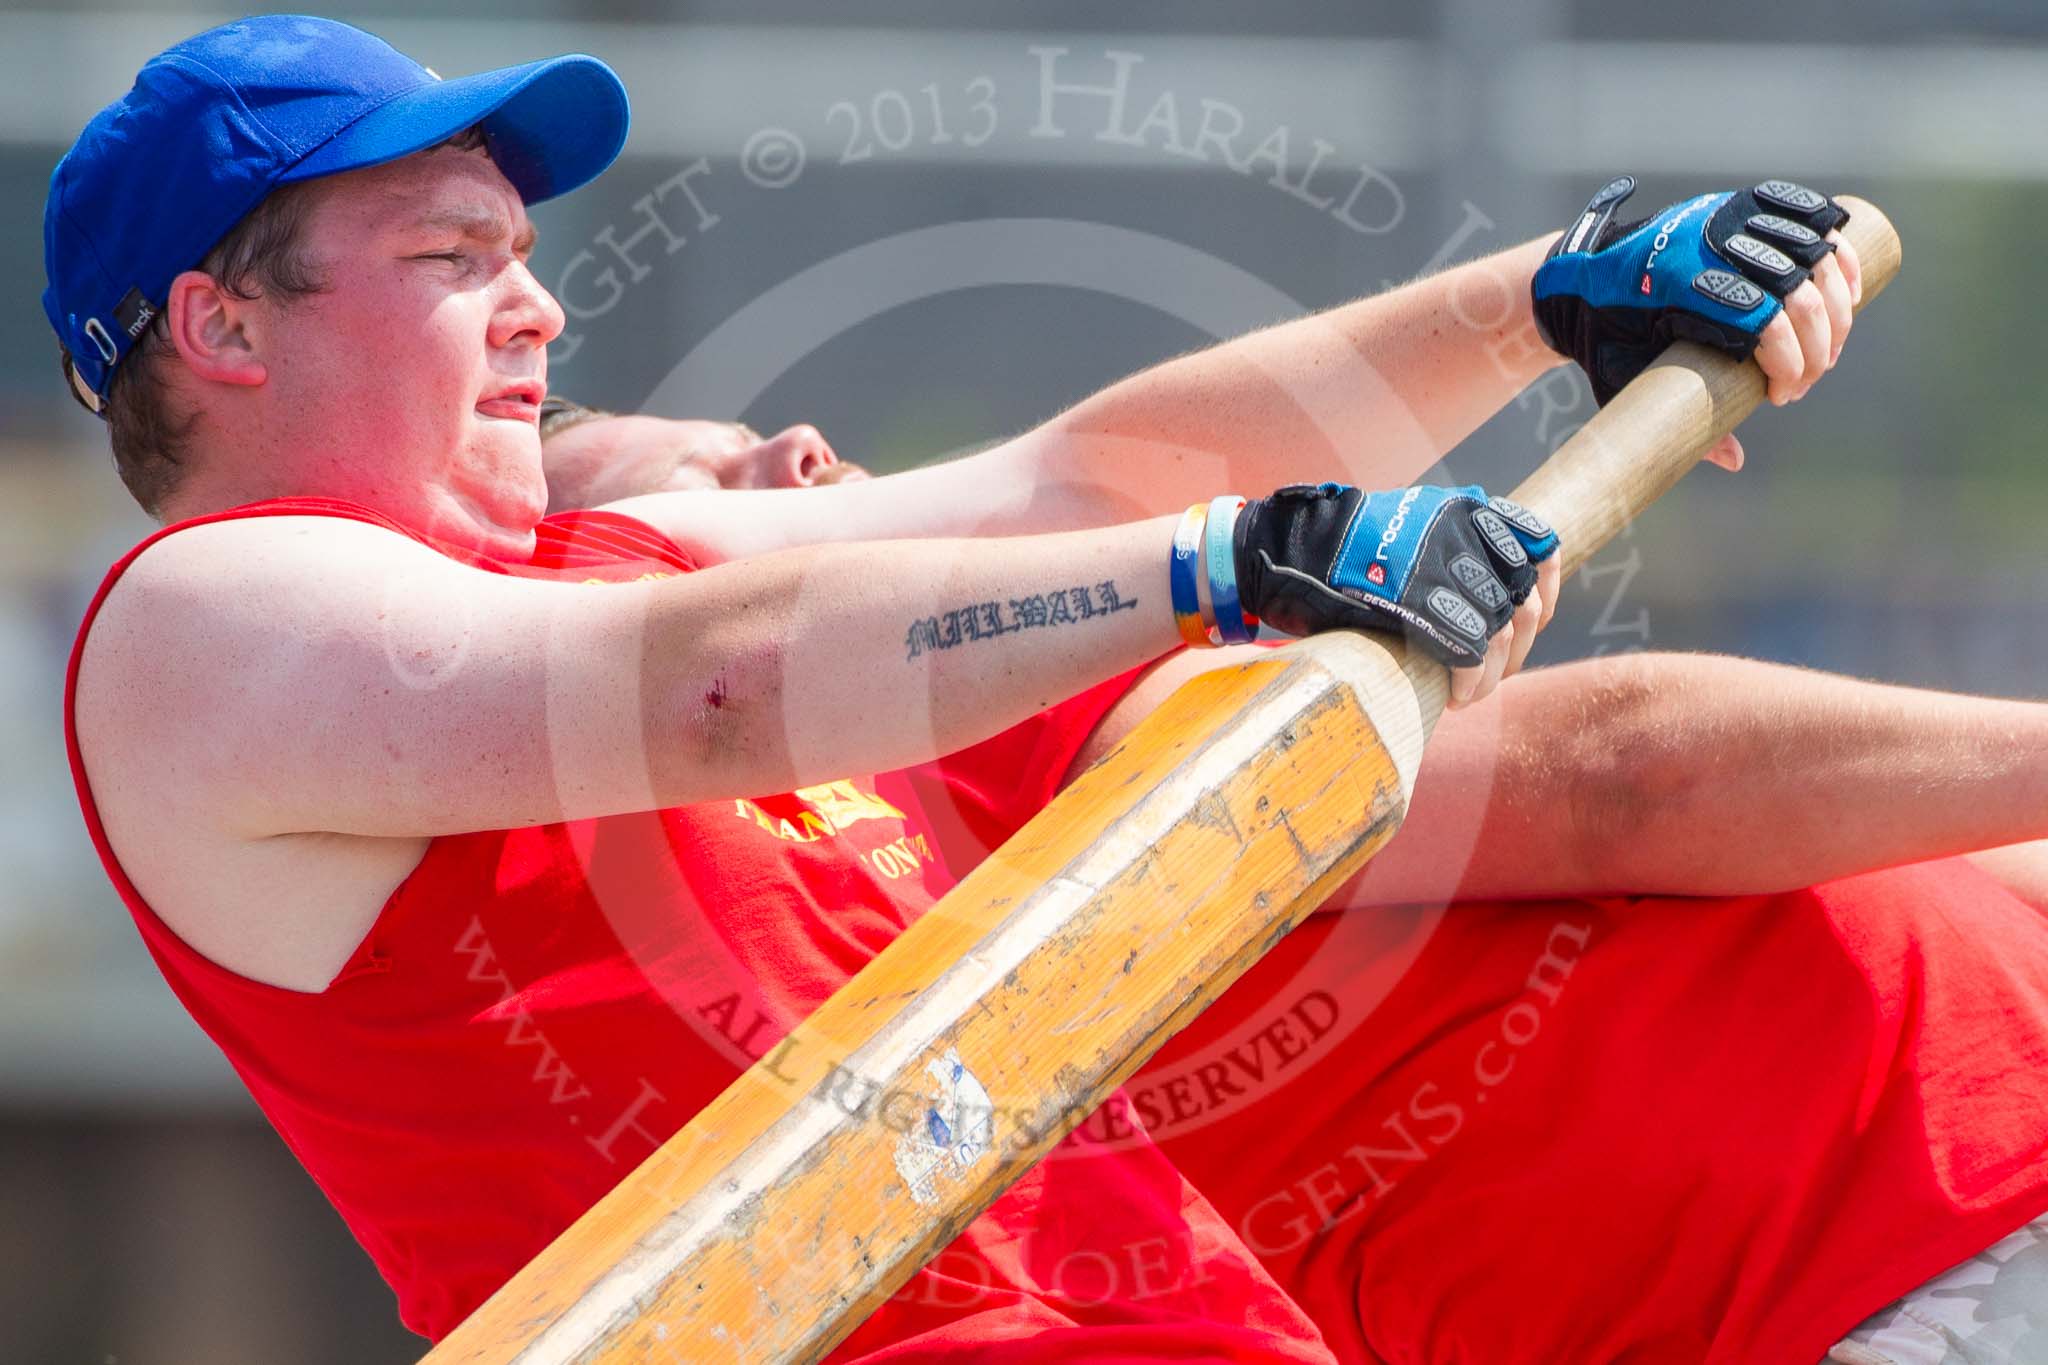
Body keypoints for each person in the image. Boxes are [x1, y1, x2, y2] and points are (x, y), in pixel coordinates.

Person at [47, 15, 1864, 1360]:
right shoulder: (197, 612)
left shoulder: (595, 570)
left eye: (523, 260)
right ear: (222, 327)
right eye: (453, 260)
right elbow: (706, 694)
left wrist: (1544, 302)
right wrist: (1227, 565)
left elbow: (1077, 481)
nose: (534, 312)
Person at [541, 402, 2048, 1362]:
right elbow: (1621, 773)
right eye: (699, 501)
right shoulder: (938, 763)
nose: (795, 449)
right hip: (1910, 1232)